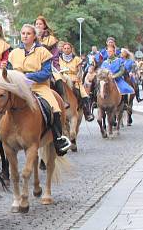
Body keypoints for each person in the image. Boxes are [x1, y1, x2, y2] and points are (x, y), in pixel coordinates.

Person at [8, 24, 71, 155]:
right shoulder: (13, 53)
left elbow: (46, 73)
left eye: (28, 34)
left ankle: (58, 139)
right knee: (1, 103)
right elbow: (9, 71)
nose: (25, 36)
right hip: (18, 87)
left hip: (39, 86)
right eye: (23, 33)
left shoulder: (43, 52)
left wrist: (28, 76)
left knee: (54, 108)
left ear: (34, 36)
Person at [35, 15, 69, 108]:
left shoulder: (51, 39)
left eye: (40, 24)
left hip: (48, 63)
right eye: (36, 24)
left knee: (58, 77)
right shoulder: (32, 37)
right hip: (33, 64)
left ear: (44, 26)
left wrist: (55, 66)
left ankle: (63, 99)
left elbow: (54, 54)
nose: (38, 25)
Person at [58, 42, 94, 121]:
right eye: (65, 48)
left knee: (84, 94)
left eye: (68, 48)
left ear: (71, 49)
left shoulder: (77, 59)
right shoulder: (59, 58)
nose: (66, 50)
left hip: (74, 79)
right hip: (62, 78)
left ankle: (87, 113)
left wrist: (78, 77)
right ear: (62, 49)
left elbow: (80, 71)